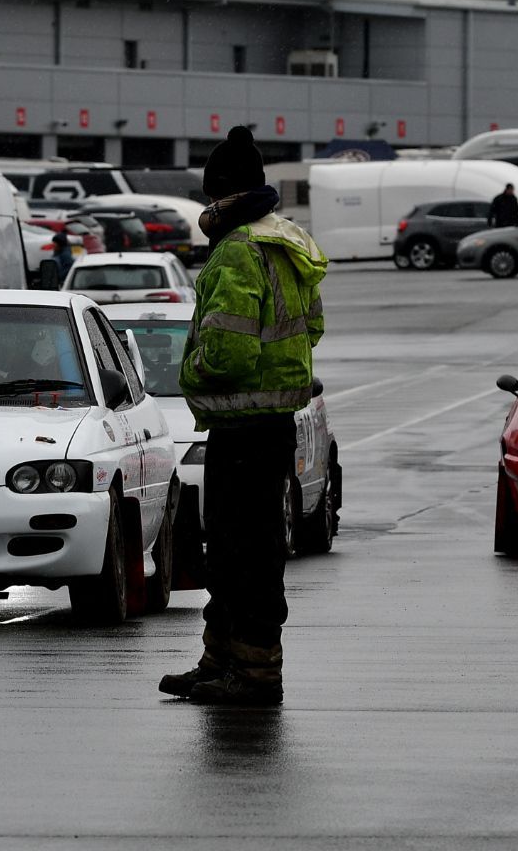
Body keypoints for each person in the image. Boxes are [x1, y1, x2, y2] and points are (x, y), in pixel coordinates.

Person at [162, 125, 326, 708]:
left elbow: (228, 351)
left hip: (241, 431)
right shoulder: (288, 241)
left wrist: (194, 375)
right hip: (273, 427)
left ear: (222, 193)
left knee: (240, 554)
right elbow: (313, 327)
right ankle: (221, 662)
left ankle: (252, 673)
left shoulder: (236, 250)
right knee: (240, 552)